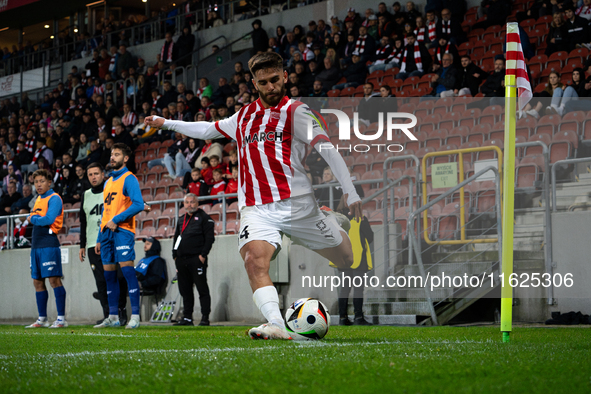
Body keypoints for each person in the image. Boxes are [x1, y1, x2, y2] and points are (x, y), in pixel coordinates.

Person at [145, 51, 362, 340]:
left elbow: (327, 148)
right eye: (264, 82)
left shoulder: (299, 112)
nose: (271, 86)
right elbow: (209, 129)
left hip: (299, 206)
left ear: (284, 77)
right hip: (257, 208)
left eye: (275, 80)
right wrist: (167, 122)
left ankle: (329, 220)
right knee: (254, 261)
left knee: (346, 257)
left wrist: (350, 191)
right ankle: (275, 323)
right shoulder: (244, 115)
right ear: (254, 83)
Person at [94, 143, 144, 329]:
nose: (112, 157)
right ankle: (113, 316)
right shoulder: (107, 182)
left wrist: (117, 219)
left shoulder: (129, 178)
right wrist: (100, 236)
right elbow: (105, 212)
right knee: (108, 276)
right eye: (111, 154)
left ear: (125, 158)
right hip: (106, 232)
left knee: (128, 272)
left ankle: (136, 317)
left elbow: (138, 204)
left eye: (116, 154)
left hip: (122, 230)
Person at [79, 162, 128, 325]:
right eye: (90, 175)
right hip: (92, 244)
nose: (93, 177)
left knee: (118, 277)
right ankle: (108, 315)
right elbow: (83, 221)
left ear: (103, 175)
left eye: (96, 174)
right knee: (101, 281)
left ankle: (120, 312)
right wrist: (82, 245)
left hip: (111, 240)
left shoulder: (111, 190)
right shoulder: (85, 195)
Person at [25, 169, 67, 328]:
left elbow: (49, 219)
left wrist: (32, 217)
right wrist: (36, 219)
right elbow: (41, 220)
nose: (39, 184)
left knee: (54, 280)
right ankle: (42, 318)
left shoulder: (54, 198)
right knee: (37, 281)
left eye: (42, 181)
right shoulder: (37, 199)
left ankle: (61, 319)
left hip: (49, 243)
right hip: (35, 244)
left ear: (49, 182)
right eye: (36, 182)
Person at [172, 193, 215, 326]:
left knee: (202, 288)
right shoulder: (181, 219)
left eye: (192, 202)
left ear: (197, 203)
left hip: (197, 259)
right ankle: (187, 317)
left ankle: (205, 317)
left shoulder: (204, 218)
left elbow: (209, 239)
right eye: (187, 202)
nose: (189, 205)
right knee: (185, 290)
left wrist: (203, 255)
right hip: (181, 260)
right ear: (184, 204)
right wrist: (175, 255)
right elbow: (176, 238)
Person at [330, 202, 374, 326]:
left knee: (344, 289)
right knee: (358, 289)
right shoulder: (360, 219)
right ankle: (358, 317)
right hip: (358, 257)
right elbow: (370, 237)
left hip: (343, 258)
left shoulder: (336, 219)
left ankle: (342, 318)